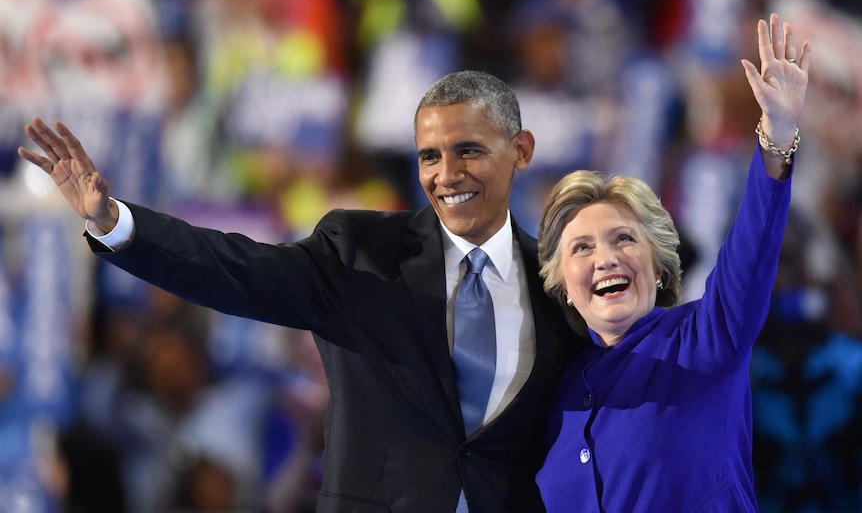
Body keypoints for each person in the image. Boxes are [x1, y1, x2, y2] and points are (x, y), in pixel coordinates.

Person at [17, 70, 585, 513]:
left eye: (469, 151)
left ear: (522, 150)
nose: (445, 174)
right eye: (429, 156)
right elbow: (236, 269)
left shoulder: (560, 285)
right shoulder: (361, 252)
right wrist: (115, 222)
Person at [533, 13, 809, 512]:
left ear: (659, 266)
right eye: (582, 247)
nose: (606, 258)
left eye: (623, 239)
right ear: (562, 286)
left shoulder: (704, 341)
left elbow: (749, 255)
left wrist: (777, 136)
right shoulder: (555, 392)